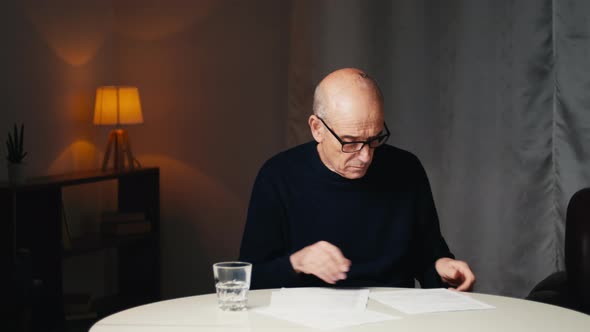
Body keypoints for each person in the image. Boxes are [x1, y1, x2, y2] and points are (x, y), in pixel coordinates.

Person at [239, 68, 475, 291]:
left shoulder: (406, 169)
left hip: (396, 318)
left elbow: (427, 258)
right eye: (350, 142)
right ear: (317, 128)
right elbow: (249, 280)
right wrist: (295, 263)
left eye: (374, 138)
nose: (365, 156)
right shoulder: (279, 176)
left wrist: (442, 268)